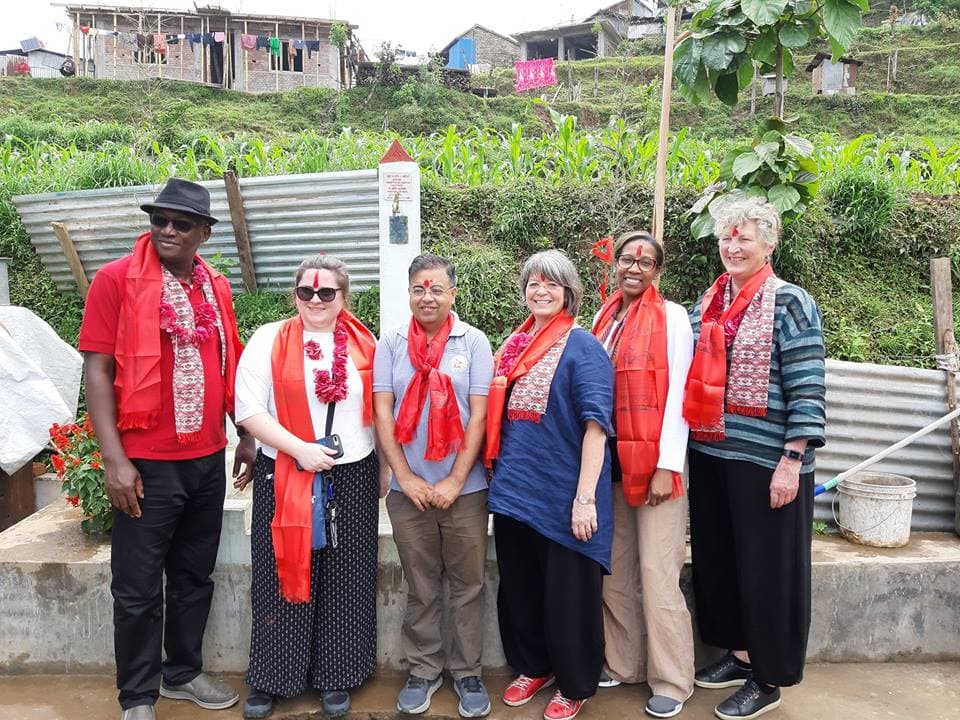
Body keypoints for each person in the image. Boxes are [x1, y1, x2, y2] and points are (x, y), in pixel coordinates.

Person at [80, 178, 254, 720]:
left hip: (204, 461)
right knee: (135, 588)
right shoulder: (116, 281)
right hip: (145, 465)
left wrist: (243, 432)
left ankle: (181, 673)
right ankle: (137, 696)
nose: (167, 230)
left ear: (204, 232)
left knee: (192, 577)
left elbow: (228, 363)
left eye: (182, 223)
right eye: (160, 220)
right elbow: (98, 370)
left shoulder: (215, 287)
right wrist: (114, 459)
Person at [683, 198, 826, 720]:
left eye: (745, 238)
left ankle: (769, 676)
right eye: (727, 237)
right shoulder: (709, 303)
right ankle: (741, 655)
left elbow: (807, 383)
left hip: (767, 460)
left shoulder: (790, 302)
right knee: (721, 562)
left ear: (769, 244)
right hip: (711, 451)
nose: (733, 246)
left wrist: (793, 457)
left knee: (769, 570)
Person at [233, 254, 380, 720]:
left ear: (343, 297)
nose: (315, 300)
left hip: (352, 472)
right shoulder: (268, 339)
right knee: (281, 573)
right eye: (306, 292)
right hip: (287, 471)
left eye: (326, 293)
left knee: (347, 576)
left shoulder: (364, 341)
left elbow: (379, 410)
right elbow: (249, 411)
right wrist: (299, 448)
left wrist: (386, 472)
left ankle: (337, 676)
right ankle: (273, 677)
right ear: (294, 295)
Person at [485, 249, 614, 720]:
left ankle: (575, 683)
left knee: (569, 596)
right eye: (533, 282)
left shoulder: (583, 347)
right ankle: (534, 666)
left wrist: (584, 499)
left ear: (569, 293)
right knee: (521, 586)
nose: (540, 290)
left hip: (564, 493)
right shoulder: (515, 344)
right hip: (516, 491)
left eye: (551, 284)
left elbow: (596, 426)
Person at [373, 254, 495, 718]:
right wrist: (404, 476)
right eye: (419, 290)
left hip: (464, 490)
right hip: (410, 492)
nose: (428, 297)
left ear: (453, 294)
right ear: (409, 293)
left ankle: (467, 671)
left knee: (468, 584)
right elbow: (383, 411)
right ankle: (423, 669)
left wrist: (455, 479)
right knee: (421, 584)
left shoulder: (474, 342)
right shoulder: (392, 343)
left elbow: (479, 415)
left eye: (437, 289)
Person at [592, 232, 695, 718]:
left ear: (658, 271)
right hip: (609, 461)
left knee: (658, 573)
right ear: (616, 264)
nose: (635, 267)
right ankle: (623, 662)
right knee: (616, 571)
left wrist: (667, 465)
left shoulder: (673, 318)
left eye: (646, 261)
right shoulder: (602, 316)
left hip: (656, 463)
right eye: (628, 259)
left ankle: (672, 679)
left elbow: (679, 395)